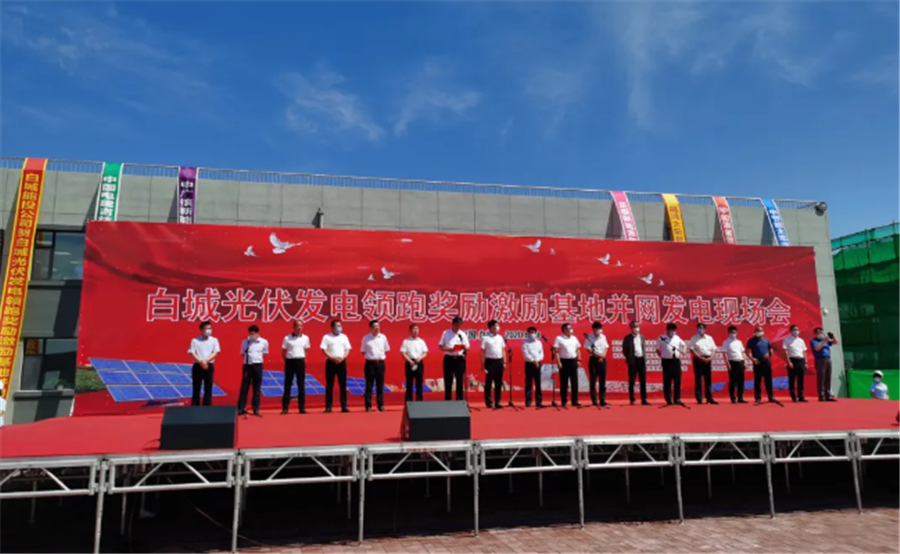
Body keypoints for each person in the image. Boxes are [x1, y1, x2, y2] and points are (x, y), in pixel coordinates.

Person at [321, 319, 352, 413]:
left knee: (343, 385)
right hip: (331, 362)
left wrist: (343, 358)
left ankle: (344, 406)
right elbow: (323, 349)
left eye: (340, 326)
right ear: (332, 327)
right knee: (329, 385)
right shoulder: (327, 337)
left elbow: (347, 349)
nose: (339, 328)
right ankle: (328, 407)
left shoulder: (344, 337)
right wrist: (332, 358)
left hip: (342, 362)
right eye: (337, 326)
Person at [188, 320, 220, 406]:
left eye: (210, 328)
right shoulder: (195, 340)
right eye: (206, 329)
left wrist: (206, 361)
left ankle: (207, 407)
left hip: (209, 365)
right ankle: (195, 407)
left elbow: (215, 352)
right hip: (197, 365)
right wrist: (200, 361)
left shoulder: (214, 340)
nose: (209, 330)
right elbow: (192, 352)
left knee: (208, 387)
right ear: (201, 330)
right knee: (196, 388)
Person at [238, 325, 269, 416]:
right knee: (244, 387)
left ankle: (256, 409)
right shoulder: (245, 342)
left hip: (258, 365)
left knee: (257, 388)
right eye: (250, 333)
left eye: (253, 334)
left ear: (257, 333)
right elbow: (242, 353)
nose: (251, 335)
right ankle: (241, 408)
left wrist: (256, 360)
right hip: (247, 366)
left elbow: (264, 353)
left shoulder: (264, 342)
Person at [281, 320, 311, 414]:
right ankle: (285, 408)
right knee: (287, 384)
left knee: (301, 384)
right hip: (290, 361)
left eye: (301, 326)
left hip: (300, 361)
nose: (299, 328)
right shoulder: (287, 338)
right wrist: (286, 360)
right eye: (298, 326)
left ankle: (301, 407)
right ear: (293, 327)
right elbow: (283, 351)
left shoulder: (305, 338)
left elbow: (307, 349)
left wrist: (303, 358)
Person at [361, 319, 390, 412]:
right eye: (375, 327)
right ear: (370, 328)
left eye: (378, 326)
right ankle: (368, 406)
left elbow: (386, 349)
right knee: (369, 385)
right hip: (370, 364)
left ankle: (380, 405)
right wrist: (371, 358)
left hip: (380, 363)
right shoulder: (366, 338)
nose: (377, 328)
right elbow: (363, 351)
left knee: (380, 385)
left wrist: (378, 357)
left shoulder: (383, 337)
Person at [439, 316, 470, 401]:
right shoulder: (446, 333)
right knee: (448, 380)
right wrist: (449, 349)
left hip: (459, 359)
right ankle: (448, 400)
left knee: (460, 380)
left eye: (459, 325)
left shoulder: (462, 334)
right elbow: (440, 346)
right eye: (456, 325)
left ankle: (459, 400)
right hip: (449, 359)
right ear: (452, 324)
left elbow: (467, 346)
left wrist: (465, 347)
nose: (458, 327)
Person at [657, 323, 687, 406]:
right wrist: (663, 356)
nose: (673, 332)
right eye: (671, 330)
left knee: (677, 380)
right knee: (667, 381)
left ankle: (677, 399)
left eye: (674, 330)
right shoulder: (662, 338)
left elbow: (684, 345)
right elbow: (657, 349)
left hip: (676, 361)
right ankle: (668, 399)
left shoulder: (677, 338)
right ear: (667, 330)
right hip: (666, 361)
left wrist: (684, 350)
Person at [553, 323, 581, 408]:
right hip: (564, 361)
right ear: (564, 330)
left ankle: (575, 401)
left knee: (574, 382)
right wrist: (558, 362)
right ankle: (564, 401)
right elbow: (556, 351)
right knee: (564, 382)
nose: (570, 330)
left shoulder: (574, 338)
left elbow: (578, 349)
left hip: (573, 361)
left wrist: (579, 360)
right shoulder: (559, 338)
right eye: (568, 328)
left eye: (571, 328)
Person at [688, 323, 717, 405]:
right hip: (698, 359)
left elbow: (714, 349)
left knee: (708, 379)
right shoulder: (694, 338)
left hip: (708, 359)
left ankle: (709, 398)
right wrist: (700, 358)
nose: (699, 329)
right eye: (698, 328)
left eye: (701, 328)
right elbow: (692, 350)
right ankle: (699, 398)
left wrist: (710, 358)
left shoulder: (709, 338)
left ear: (705, 329)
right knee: (698, 379)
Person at [481, 319, 507, 409]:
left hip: (499, 361)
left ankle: (497, 402)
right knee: (488, 382)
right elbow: (482, 352)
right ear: (491, 327)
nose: (498, 327)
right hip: (490, 361)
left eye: (498, 326)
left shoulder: (500, 338)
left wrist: (504, 362)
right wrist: (482, 364)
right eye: (496, 326)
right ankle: (488, 402)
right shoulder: (485, 338)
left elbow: (503, 350)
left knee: (498, 382)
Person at [622, 320, 650, 405]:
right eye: (634, 327)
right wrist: (629, 357)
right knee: (632, 381)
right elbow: (624, 350)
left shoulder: (642, 337)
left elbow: (643, 348)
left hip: (641, 360)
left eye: (637, 326)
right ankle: (632, 399)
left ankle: (644, 399)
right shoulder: (627, 338)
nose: (636, 328)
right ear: (631, 328)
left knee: (643, 380)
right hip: (633, 361)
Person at [746, 326, 776, 403]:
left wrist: (769, 354)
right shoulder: (751, 341)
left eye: (761, 331)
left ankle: (771, 397)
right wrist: (753, 359)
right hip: (757, 362)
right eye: (758, 331)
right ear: (755, 332)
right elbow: (747, 351)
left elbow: (771, 348)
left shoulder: (766, 340)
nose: (760, 332)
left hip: (766, 362)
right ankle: (758, 398)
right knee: (757, 380)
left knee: (768, 380)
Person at [400, 324, 428, 402]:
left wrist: (420, 358)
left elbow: (425, 352)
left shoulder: (421, 341)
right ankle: (409, 402)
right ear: (410, 330)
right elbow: (403, 353)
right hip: (410, 362)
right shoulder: (406, 341)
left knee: (419, 383)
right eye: (414, 329)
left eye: (417, 329)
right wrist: (409, 361)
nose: (415, 331)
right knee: (409, 383)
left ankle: (419, 401)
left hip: (419, 362)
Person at [584, 321, 609, 407]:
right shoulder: (589, 338)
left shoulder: (603, 337)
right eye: (598, 329)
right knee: (593, 381)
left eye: (600, 328)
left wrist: (603, 356)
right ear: (594, 329)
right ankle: (594, 400)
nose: (599, 330)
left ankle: (602, 399)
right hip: (594, 360)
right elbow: (588, 350)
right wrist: (599, 355)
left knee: (603, 380)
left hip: (602, 360)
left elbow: (606, 347)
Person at [810, 327, 839, 402]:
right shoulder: (813, 341)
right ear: (815, 333)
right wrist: (824, 341)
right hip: (820, 360)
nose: (820, 334)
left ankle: (828, 395)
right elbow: (817, 348)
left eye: (821, 332)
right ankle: (821, 396)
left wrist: (833, 336)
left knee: (828, 378)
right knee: (821, 378)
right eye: (818, 332)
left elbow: (836, 342)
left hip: (828, 359)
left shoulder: (826, 341)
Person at [782, 324, 808, 402]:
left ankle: (801, 396)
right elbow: (785, 351)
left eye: (797, 330)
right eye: (794, 330)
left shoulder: (801, 340)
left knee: (801, 379)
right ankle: (793, 396)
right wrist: (788, 362)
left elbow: (804, 351)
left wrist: (806, 362)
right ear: (791, 331)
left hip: (801, 360)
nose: (796, 331)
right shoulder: (787, 339)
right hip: (792, 360)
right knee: (792, 379)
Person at [723, 326, 747, 403]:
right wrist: (728, 364)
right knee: (733, 381)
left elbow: (742, 352)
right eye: (731, 332)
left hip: (740, 361)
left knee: (741, 381)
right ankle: (733, 398)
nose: (733, 334)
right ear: (728, 333)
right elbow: (725, 353)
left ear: (737, 333)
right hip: (732, 362)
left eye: (734, 332)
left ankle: (740, 397)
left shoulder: (739, 342)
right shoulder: (726, 342)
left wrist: (744, 362)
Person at [521, 326, 544, 408]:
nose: (532, 334)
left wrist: (538, 360)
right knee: (528, 383)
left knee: (538, 382)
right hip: (529, 364)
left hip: (538, 363)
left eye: (533, 332)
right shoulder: (525, 343)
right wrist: (533, 361)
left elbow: (541, 353)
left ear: (536, 333)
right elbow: (526, 354)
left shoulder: (539, 342)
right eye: (530, 332)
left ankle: (539, 401)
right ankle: (528, 401)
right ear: (528, 334)